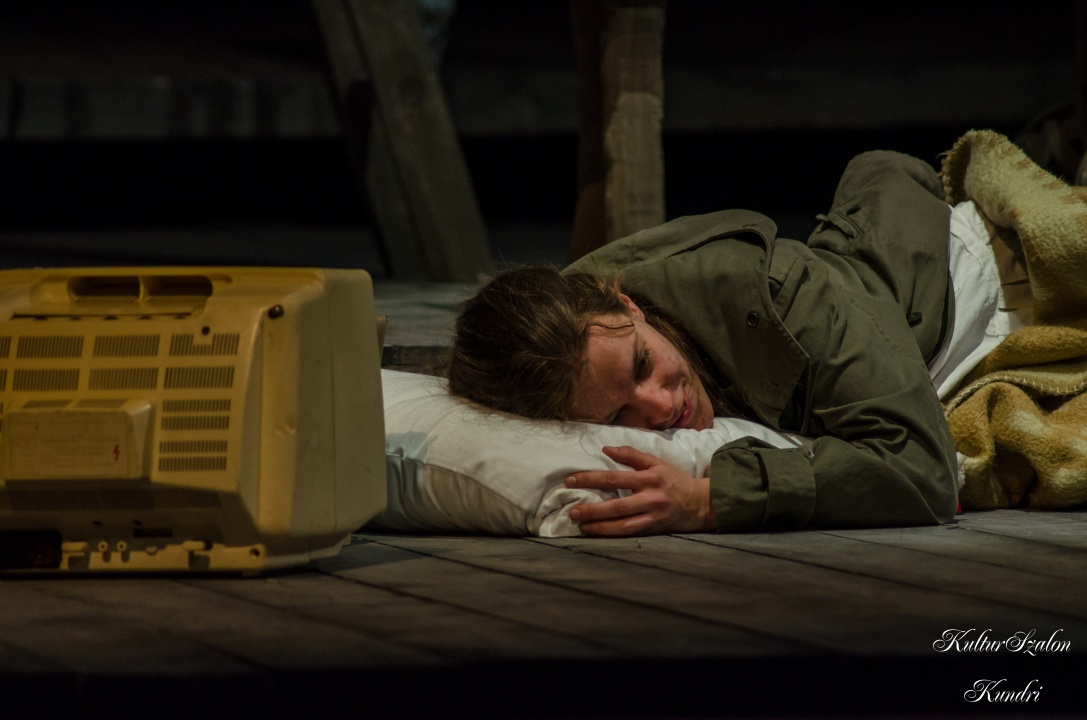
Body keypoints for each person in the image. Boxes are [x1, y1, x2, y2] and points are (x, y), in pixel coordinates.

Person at [447, 149, 1028, 536]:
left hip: (986, 276)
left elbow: (924, 473)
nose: (659, 406)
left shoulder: (779, 296)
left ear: (627, 305)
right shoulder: (566, 343)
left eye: (643, 364)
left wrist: (710, 500)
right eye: (618, 415)